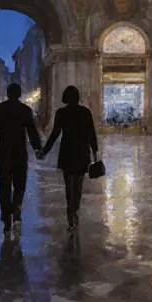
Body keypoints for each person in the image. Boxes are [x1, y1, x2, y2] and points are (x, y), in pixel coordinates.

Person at [39, 85, 98, 232]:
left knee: (68, 185)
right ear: (78, 97)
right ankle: (74, 211)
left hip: (67, 153)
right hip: (82, 153)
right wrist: (95, 152)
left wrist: (44, 151)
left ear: (65, 97)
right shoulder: (85, 112)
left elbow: (55, 134)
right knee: (78, 185)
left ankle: (70, 212)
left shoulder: (61, 113)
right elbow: (92, 133)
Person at [0, 83, 43, 234]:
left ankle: (6, 217)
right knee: (20, 186)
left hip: (3, 154)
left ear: (7, 93)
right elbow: (32, 132)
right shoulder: (25, 110)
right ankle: (16, 207)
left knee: (4, 187)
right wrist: (37, 149)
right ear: (19, 94)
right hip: (19, 154)